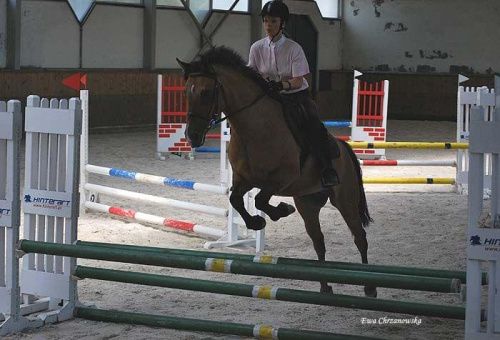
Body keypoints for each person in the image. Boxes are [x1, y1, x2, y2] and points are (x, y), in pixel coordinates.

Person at [248, 0, 339, 187]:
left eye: (273, 21)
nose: (268, 26)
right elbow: (252, 74)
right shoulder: (256, 48)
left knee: (314, 125)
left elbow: (298, 80)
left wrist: (281, 86)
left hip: (297, 95)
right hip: (271, 96)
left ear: (282, 23)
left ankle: (327, 168)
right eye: (265, 21)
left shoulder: (294, 48)